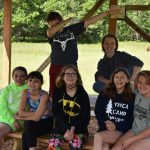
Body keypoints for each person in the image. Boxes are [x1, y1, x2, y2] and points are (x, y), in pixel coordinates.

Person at [46, 8, 120, 97]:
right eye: (52, 25)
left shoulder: (71, 30)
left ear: (60, 21)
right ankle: (54, 109)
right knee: (54, 92)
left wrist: (107, 12)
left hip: (71, 66)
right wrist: (66, 21)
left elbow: (89, 21)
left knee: (74, 91)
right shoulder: (51, 33)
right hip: (56, 66)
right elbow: (50, 32)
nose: (55, 27)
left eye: (56, 24)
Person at [48, 64, 90, 150]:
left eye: (73, 74)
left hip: (79, 130)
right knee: (53, 146)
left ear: (77, 77)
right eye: (67, 74)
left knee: (75, 144)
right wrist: (66, 129)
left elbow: (85, 118)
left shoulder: (83, 94)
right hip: (60, 129)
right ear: (62, 77)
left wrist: (72, 129)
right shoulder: (58, 92)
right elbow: (57, 114)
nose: (70, 76)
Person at [93, 68, 135, 150]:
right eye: (116, 77)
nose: (119, 79)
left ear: (127, 80)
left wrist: (116, 125)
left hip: (121, 131)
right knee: (104, 146)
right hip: (105, 128)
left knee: (98, 136)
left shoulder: (132, 98)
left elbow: (131, 119)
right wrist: (106, 123)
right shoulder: (104, 94)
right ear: (113, 79)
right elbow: (99, 112)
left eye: (122, 77)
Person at [111, 70, 150, 150]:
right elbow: (129, 82)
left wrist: (131, 140)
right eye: (140, 82)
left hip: (148, 136)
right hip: (135, 130)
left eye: (147, 83)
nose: (142, 86)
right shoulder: (138, 93)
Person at [15, 71, 53, 150]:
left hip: (46, 123)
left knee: (27, 128)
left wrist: (21, 118)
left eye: (36, 81)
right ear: (27, 81)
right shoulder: (25, 92)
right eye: (30, 80)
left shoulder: (44, 95)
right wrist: (39, 113)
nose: (32, 83)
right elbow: (21, 112)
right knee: (28, 128)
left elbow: (35, 118)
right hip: (32, 124)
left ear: (41, 83)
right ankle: (32, 148)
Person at [0, 66, 28, 149]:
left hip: (18, 120)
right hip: (5, 118)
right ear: (12, 76)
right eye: (16, 76)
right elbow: (2, 107)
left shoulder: (28, 89)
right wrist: (12, 120)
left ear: (26, 77)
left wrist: (14, 121)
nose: (18, 78)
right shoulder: (7, 89)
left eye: (22, 76)